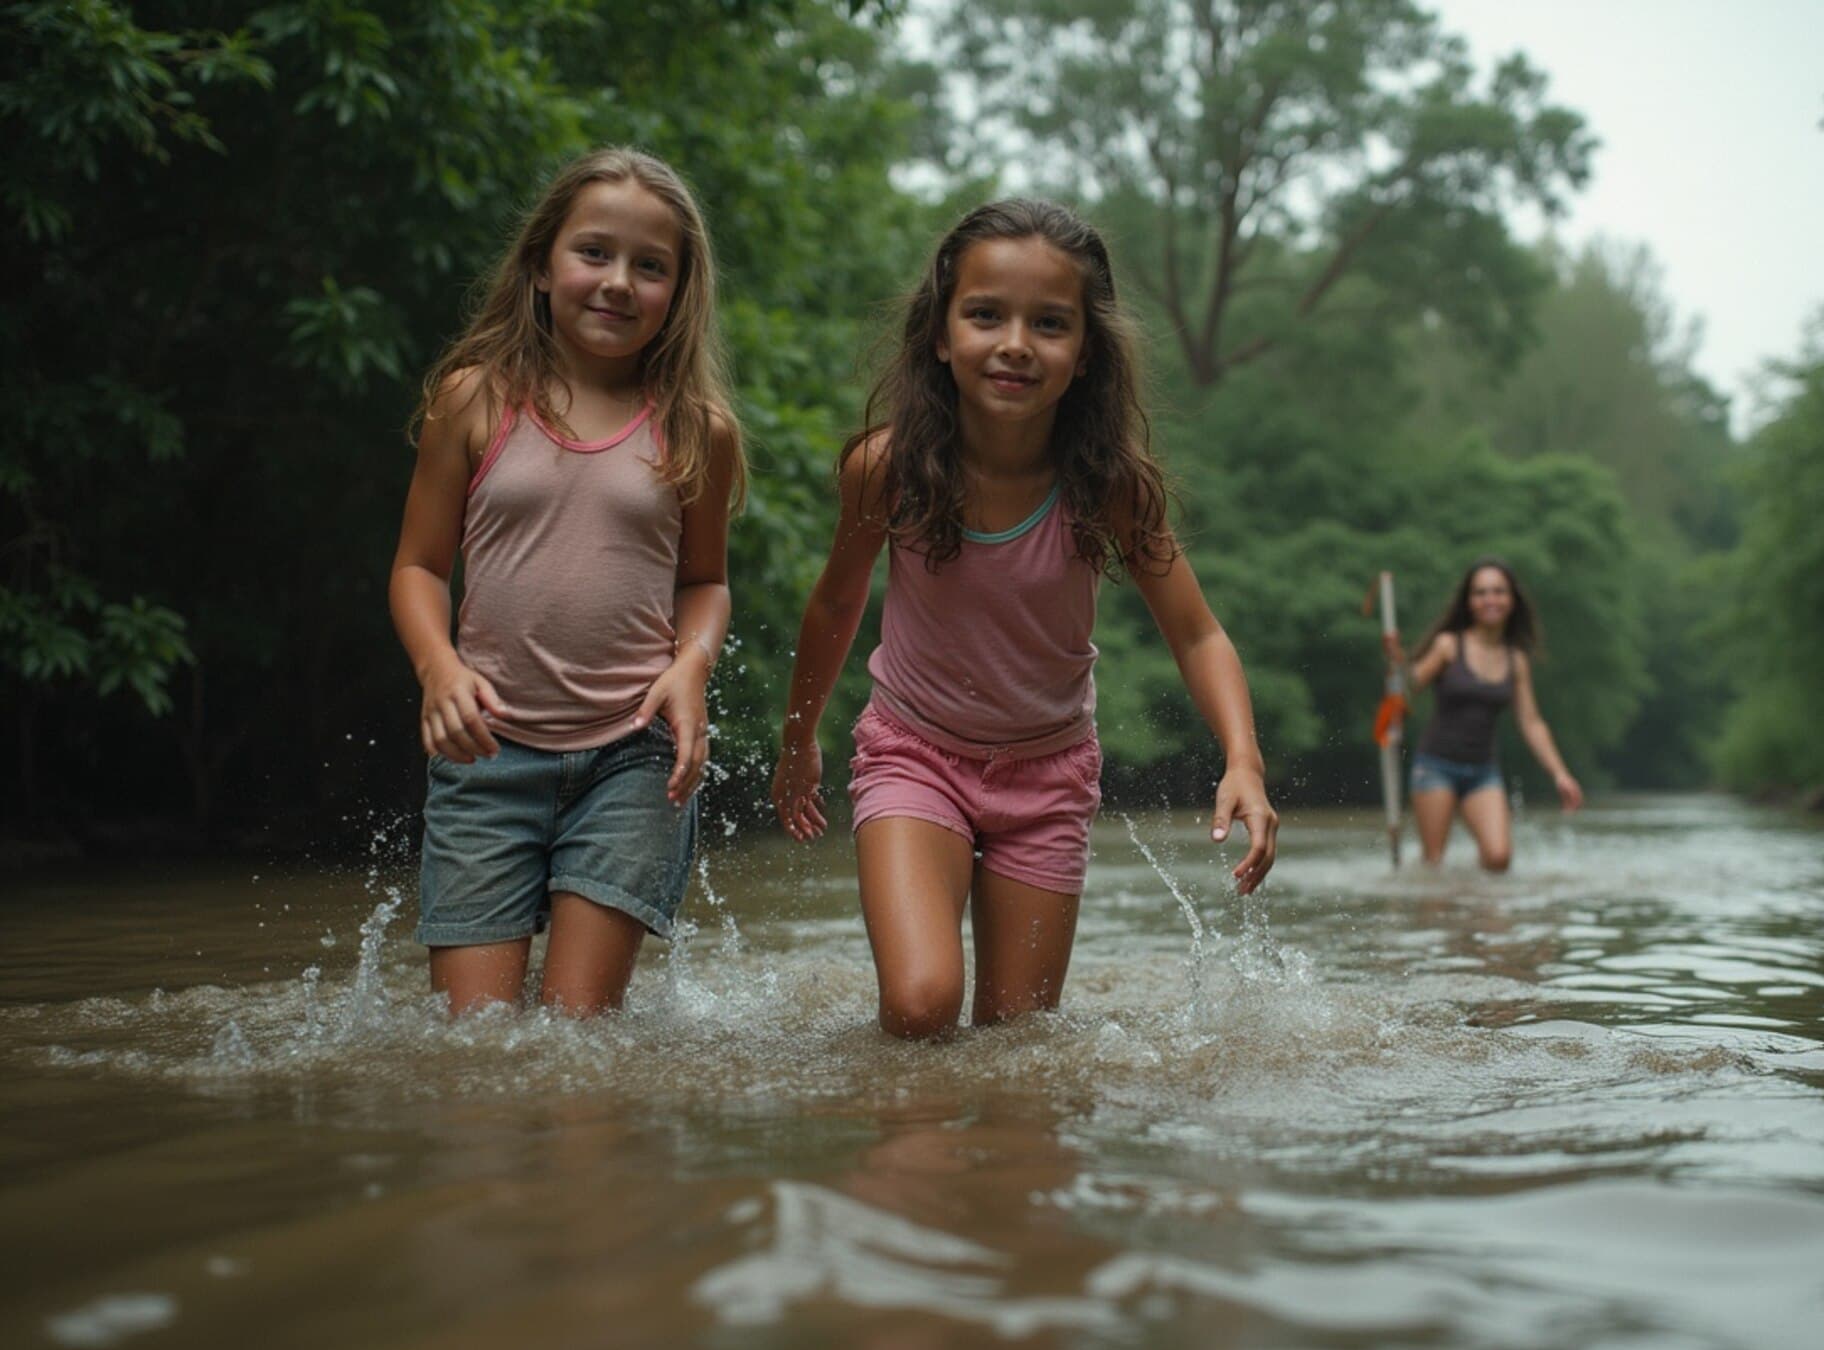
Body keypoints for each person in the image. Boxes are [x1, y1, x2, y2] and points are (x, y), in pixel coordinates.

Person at [769, 199, 1277, 1040]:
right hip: (913, 754)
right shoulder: (888, 468)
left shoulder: (1110, 486)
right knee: (921, 1004)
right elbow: (836, 603)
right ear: (941, 335)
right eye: (985, 315)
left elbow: (1196, 632)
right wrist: (799, 741)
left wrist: (1244, 761)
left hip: (1047, 778)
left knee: (1018, 1043)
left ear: (1086, 353)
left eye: (1049, 323)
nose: (1015, 343)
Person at [388, 148, 743, 1016]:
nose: (618, 282)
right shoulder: (472, 399)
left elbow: (705, 582)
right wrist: (438, 667)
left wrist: (691, 664)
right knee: (477, 1045)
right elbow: (419, 566)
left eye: (650, 266)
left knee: (574, 1038)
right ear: (542, 266)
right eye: (594, 252)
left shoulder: (698, 428)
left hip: (634, 756)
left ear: (678, 292)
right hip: (487, 749)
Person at [1383, 558, 1582, 871]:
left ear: (1512, 600)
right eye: (1481, 592)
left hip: (1482, 771)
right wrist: (1397, 662)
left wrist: (1560, 774)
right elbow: (1408, 689)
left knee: (1499, 858)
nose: (1490, 599)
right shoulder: (1449, 646)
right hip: (1435, 766)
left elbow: (1531, 722)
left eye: (1498, 591)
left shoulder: (1516, 660)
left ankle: (1474, 898)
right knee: (1433, 864)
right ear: (1469, 601)